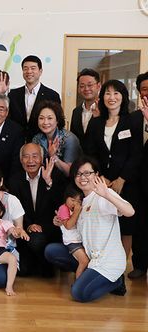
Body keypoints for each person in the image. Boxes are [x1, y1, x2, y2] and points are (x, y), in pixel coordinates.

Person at [46, 157, 134, 302]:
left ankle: (116, 281)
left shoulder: (103, 195)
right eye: (79, 174)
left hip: (107, 261)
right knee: (52, 251)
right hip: (90, 256)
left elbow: (130, 212)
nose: (83, 178)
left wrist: (107, 194)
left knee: (78, 293)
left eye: (87, 173)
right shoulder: (80, 201)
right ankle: (89, 275)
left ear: (96, 175)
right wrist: (61, 222)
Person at [84, 80, 139, 257]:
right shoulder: (96, 123)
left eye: (116, 93)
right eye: (108, 93)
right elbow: (90, 153)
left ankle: (119, 269)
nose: (112, 97)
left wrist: (122, 179)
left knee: (126, 227)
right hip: (101, 183)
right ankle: (102, 265)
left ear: (123, 97)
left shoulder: (131, 122)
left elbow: (136, 154)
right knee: (103, 223)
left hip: (127, 182)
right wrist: (102, 178)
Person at [7, 143, 66, 277]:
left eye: (35, 156)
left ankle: (47, 265)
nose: (30, 161)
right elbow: (15, 208)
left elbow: (60, 206)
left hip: (49, 228)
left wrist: (49, 182)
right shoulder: (15, 180)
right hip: (25, 229)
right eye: (26, 157)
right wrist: (28, 226)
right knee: (23, 271)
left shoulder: (54, 175)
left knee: (37, 242)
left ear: (42, 157)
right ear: (21, 160)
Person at [8, 55, 61, 140]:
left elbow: (58, 122)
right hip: (16, 141)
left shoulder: (52, 95)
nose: (29, 71)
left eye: (33, 68)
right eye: (25, 68)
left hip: (42, 142)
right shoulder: (13, 95)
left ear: (40, 71)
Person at [128, 71, 148, 279]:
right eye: (144, 89)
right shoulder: (133, 118)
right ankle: (140, 265)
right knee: (140, 224)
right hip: (137, 180)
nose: (147, 93)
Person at [32, 101, 82, 176]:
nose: (45, 122)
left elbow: (71, 173)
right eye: (41, 118)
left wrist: (53, 156)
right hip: (45, 178)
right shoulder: (36, 139)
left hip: (67, 182)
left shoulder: (69, 139)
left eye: (50, 118)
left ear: (57, 120)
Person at [56, 185, 89, 279]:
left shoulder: (79, 208)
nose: (75, 203)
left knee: (88, 262)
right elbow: (68, 226)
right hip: (72, 241)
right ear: (66, 198)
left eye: (79, 201)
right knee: (84, 261)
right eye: (72, 200)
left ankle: (83, 281)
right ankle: (78, 283)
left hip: (81, 240)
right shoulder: (63, 208)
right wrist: (76, 212)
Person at [70, 69, 101, 149]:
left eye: (90, 85)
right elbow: (73, 140)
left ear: (98, 86)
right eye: (82, 86)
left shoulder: (104, 109)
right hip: (81, 159)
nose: (86, 89)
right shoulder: (76, 111)